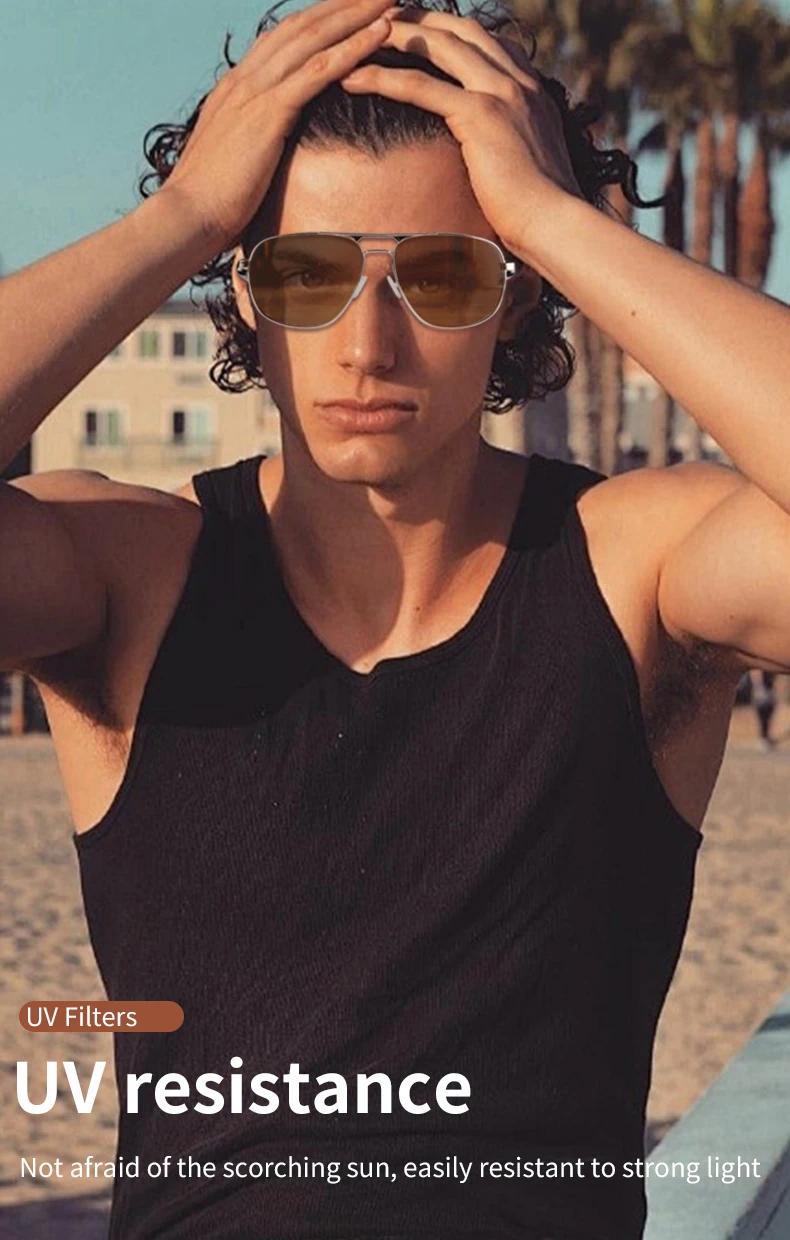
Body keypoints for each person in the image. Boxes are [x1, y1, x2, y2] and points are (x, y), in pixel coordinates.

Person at [1, 1, 789, 1236]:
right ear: (245, 294)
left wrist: (554, 222)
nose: (367, 344)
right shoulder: (134, 576)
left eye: (444, 275)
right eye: (304, 273)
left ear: (515, 301)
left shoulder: (633, 575)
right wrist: (185, 217)